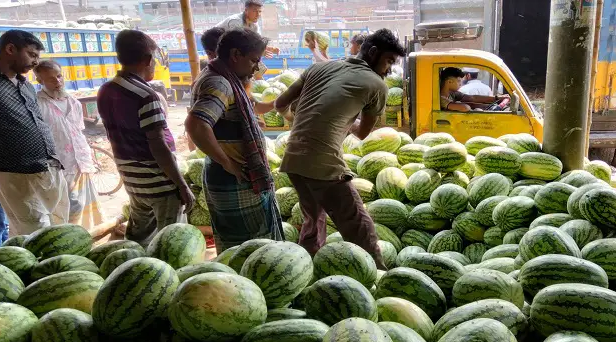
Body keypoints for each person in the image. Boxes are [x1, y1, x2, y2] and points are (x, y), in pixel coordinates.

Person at [274, 29, 407, 268]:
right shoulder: (376, 85)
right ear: (374, 52)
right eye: (388, 61)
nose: (388, 69)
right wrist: (345, 121)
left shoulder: (319, 68)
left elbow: (280, 103)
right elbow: (363, 132)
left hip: (293, 158)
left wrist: (297, 118)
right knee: (357, 224)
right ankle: (378, 275)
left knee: (313, 221)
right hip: (322, 161)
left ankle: (307, 269)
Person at [185, 28, 283, 252]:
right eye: (253, 61)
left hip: (230, 176)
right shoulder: (220, 83)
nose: (256, 67)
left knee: (242, 247)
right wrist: (227, 162)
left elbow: (252, 107)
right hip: (233, 179)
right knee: (250, 249)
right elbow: (196, 124)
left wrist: (281, 101)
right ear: (236, 54)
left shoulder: (224, 78)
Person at [97, 30, 193, 246]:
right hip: (158, 179)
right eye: (156, 60)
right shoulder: (146, 95)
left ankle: (133, 263)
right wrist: (181, 185)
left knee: (140, 233)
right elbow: (157, 144)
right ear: (148, 59)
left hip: (131, 177)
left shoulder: (106, 89)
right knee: (172, 240)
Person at [0, 29, 69, 236]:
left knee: (61, 229)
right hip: (15, 173)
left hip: (49, 167)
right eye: (32, 55)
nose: (35, 62)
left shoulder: (25, 85)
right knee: (34, 235)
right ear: (10, 49)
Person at [34, 60, 105, 229]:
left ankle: (89, 234)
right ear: (40, 81)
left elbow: (78, 132)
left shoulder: (73, 102)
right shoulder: (38, 105)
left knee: (84, 202)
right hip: (59, 165)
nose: (57, 82)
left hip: (81, 162)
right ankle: (69, 236)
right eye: (51, 79)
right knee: (66, 207)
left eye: (59, 76)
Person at [440, 67, 507, 112]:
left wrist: (497, 98)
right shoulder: (441, 99)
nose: (460, 84)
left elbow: (472, 98)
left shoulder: (452, 93)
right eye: (458, 81)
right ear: (449, 82)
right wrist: (474, 107)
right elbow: (464, 108)